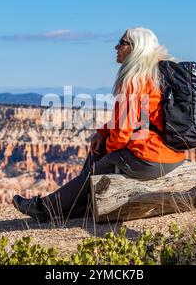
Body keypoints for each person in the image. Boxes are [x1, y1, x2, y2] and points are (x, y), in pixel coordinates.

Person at [13, 27, 186, 223]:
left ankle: (44, 209)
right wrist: (102, 133)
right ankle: (78, 205)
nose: (116, 47)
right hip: (174, 155)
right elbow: (138, 118)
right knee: (98, 155)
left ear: (135, 48)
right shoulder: (158, 74)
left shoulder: (134, 80)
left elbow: (122, 134)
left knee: (95, 170)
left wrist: (107, 151)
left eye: (121, 43)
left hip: (150, 159)